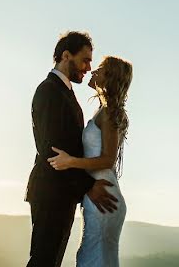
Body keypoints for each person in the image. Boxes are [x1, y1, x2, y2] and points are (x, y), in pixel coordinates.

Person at [25, 32, 119, 267]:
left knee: (49, 261)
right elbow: (51, 151)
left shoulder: (65, 92)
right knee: (44, 261)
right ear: (66, 55)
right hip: (51, 191)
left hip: (61, 191)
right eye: (85, 60)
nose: (88, 67)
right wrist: (88, 186)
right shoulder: (49, 91)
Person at [49, 56, 133, 267]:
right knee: (94, 255)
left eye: (101, 70)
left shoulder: (109, 112)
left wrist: (70, 162)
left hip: (103, 194)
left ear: (110, 77)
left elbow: (108, 159)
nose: (94, 71)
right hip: (99, 191)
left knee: (93, 257)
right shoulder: (104, 111)